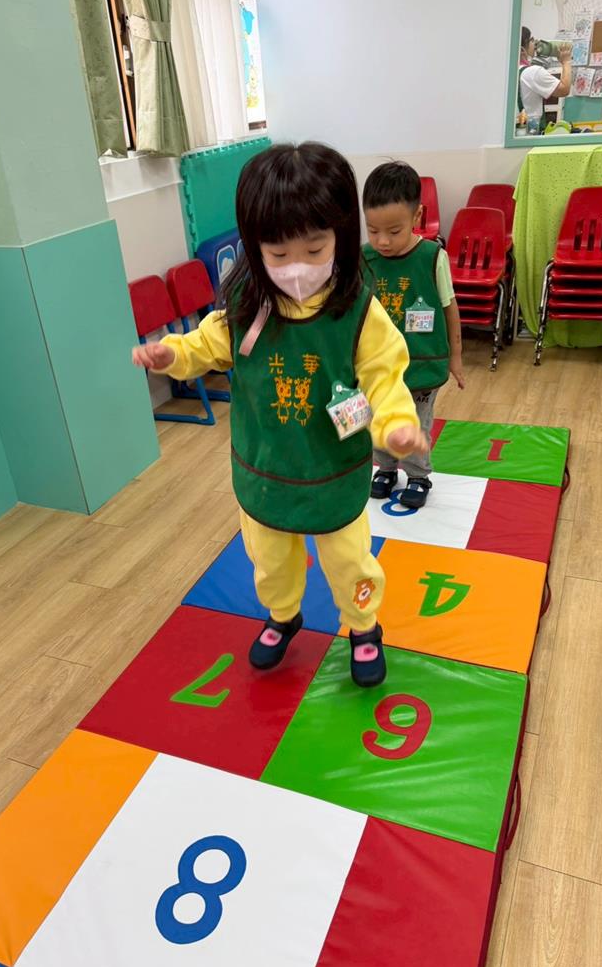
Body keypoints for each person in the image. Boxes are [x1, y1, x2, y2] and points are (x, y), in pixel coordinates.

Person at [132, 142, 425, 688]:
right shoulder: (249, 302)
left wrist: (395, 426)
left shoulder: (357, 308)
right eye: (278, 253)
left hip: (332, 468)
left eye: (314, 250)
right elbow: (207, 343)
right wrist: (172, 355)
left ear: (340, 236)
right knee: (269, 558)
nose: (297, 268)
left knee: (350, 559)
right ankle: (283, 616)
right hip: (266, 468)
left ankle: (363, 626)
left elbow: (384, 375)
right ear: (255, 246)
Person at [362, 162, 465, 509]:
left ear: (417, 215)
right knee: (378, 416)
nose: (383, 241)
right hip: (379, 366)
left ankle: (418, 475)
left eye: (394, 230)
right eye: (373, 230)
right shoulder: (364, 259)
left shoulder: (433, 257)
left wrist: (456, 357)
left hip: (422, 363)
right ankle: (386, 468)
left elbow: (449, 309)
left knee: (415, 423)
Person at [519, 27, 571, 134]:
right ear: (522, 50)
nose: (535, 43)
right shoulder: (533, 72)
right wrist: (566, 62)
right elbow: (564, 89)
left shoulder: (509, 74)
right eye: (531, 40)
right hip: (532, 134)